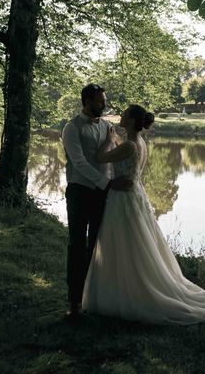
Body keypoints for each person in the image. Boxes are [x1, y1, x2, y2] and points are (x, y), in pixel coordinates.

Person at [82, 104, 205, 324]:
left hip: (122, 197)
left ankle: (128, 291)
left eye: (125, 114)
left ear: (132, 121)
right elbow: (125, 156)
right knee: (135, 241)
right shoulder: (139, 143)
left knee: (125, 242)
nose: (121, 115)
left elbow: (99, 158)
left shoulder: (128, 146)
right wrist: (116, 140)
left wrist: (107, 141)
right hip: (135, 195)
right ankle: (128, 285)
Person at [61, 83, 132, 321]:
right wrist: (107, 183)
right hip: (80, 192)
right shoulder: (72, 128)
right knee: (77, 245)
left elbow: (112, 158)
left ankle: (94, 297)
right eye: (99, 101)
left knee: (97, 246)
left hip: (104, 194)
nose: (104, 104)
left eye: (104, 100)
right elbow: (79, 163)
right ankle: (74, 300)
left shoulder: (108, 127)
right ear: (87, 101)